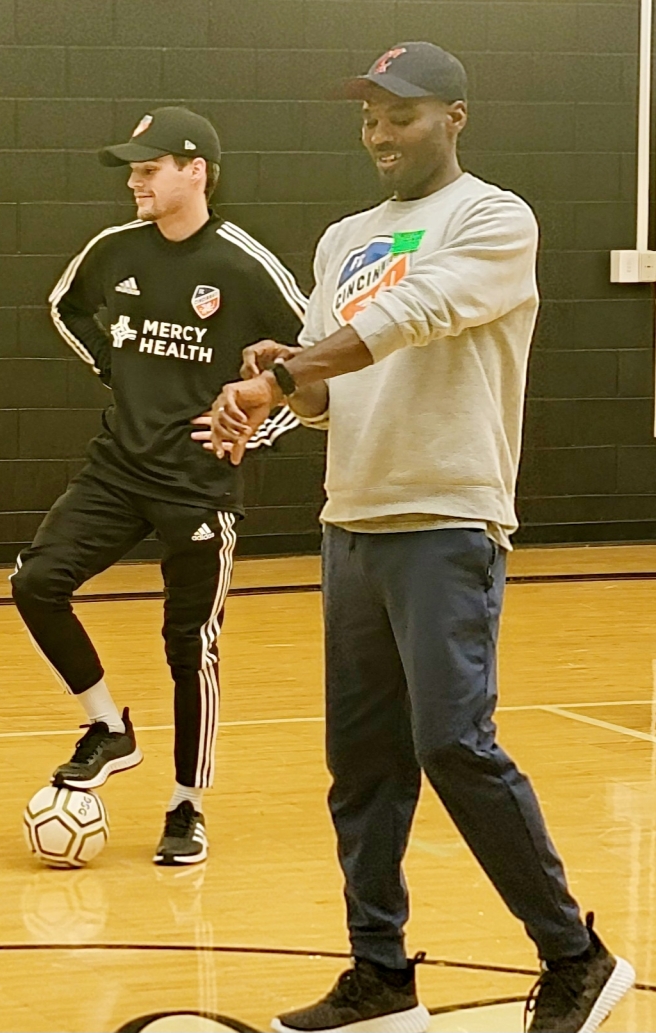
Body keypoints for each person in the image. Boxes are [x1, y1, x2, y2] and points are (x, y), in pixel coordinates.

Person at [207, 43, 635, 1033]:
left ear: (454, 118)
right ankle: (379, 977)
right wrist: (291, 381)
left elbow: (416, 312)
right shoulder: (343, 236)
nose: (379, 133)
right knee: (361, 764)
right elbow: (327, 386)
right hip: (351, 518)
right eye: (368, 116)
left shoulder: (494, 218)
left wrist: (282, 375)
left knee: (454, 744)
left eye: (400, 114)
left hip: (448, 515)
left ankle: (578, 956)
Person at [10, 106, 306, 867]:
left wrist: (256, 428)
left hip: (199, 487)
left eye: (150, 168)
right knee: (37, 581)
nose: (136, 181)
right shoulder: (114, 250)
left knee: (190, 648)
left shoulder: (244, 263)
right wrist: (118, 369)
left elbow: (308, 362)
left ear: (195, 171)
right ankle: (108, 727)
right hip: (118, 467)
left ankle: (186, 806)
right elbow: (64, 308)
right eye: (133, 170)